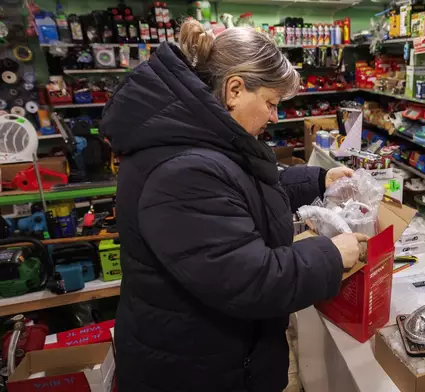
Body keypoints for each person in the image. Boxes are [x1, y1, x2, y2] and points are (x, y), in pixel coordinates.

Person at [101, 20, 367, 392]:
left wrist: (319, 181)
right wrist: (330, 255)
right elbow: (250, 280)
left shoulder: (204, 139)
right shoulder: (183, 169)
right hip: (196, 371)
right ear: (235, 89)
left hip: (218, 355)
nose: (275, 117)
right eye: (271, 103)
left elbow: (246, 188)